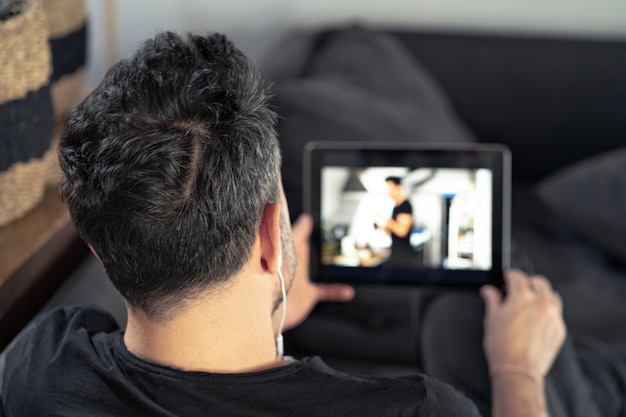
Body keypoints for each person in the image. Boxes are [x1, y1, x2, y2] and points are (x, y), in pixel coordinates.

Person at [2, 32, 570, 417]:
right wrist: (518, 371)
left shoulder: (38, 368)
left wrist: (272, 317)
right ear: (272, 235)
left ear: (98, 247)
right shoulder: (417, 408)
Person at [379, 176, 420, 268]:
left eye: (390, 188)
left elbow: (402, 231)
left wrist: (388, 222)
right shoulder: (395, 207)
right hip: (396, 253)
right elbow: (393, 232)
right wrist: (385, 227)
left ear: (398, 187)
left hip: (404, 257)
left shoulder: (405, 206)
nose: (388, 191)